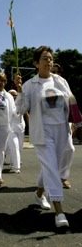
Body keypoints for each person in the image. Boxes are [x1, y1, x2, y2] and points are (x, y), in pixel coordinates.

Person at [14, 46, 75, 228]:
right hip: (43, 133)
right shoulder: (29, 85)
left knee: (53, 164)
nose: (48, 62)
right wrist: (19, 91)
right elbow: (20, 109)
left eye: (50, 58)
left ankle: (39, 193)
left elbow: (71, 102)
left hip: (62, 130)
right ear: (36, 63)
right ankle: (59, 212)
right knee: (51, 168)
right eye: (44, 58)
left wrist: (77, 124)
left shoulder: (61, 81)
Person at [51, 63, 75, 189]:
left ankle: (63, 177)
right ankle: (49, 180)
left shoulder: (63, 82)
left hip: (64, 121)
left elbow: (70, 99)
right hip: (49, 123)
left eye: (57, 71)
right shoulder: (44, 82)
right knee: (51, 153)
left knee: (70, 149)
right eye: (52, 71)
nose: (55, 73)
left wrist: (73, 121)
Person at [5, 89, 26, 173]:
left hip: (21, 128)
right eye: (11, 95)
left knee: (19, 147)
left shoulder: (21, 103)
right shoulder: (5, 103)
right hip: (10, 129)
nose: (13, 96)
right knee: (14, 146)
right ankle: (16, 167)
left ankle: (13, 162)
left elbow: (26, 112)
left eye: (15, 95)